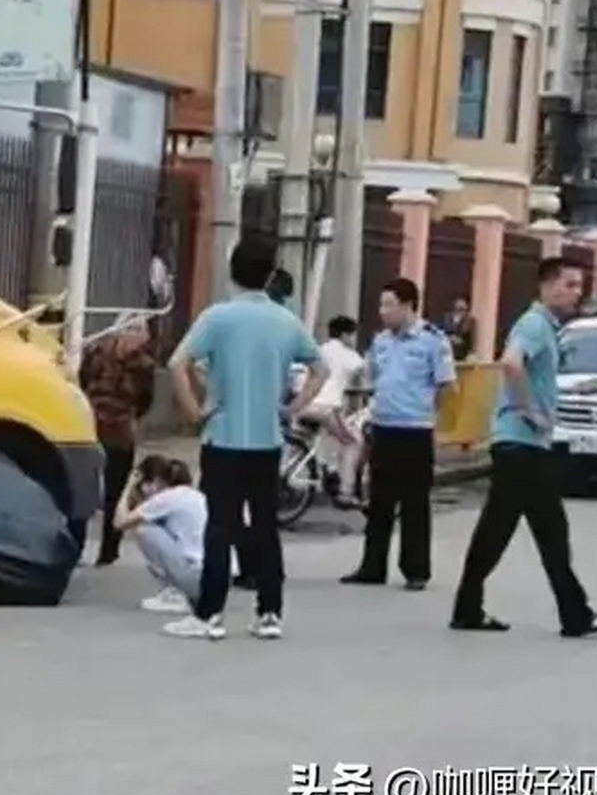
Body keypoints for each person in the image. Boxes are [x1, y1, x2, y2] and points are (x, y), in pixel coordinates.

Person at [449, 259, 597, 638]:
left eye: (579, 285)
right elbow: (511, 366)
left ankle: (467, 608)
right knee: (551, 533)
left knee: (495, 531)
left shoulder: (544, 327)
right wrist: (530, 412)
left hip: (515, 446)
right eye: (570, 284)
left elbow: (532, 375)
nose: (577, 292)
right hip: (523, 446)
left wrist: (570, 392)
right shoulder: (534, 324)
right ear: (547, 286)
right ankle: (576, 616)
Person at [166, 236, 327, 640]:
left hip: (222, 437)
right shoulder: (285, 321)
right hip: (268, 440)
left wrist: (193, 410)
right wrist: (293, 408)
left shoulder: (217, 317)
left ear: (231, 270)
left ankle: (210, 614)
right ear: (270, 275)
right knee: (265, 527)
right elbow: (319, 368)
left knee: (219, 526)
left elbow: (176, 363)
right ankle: (269, 613)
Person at [342, 279, 454, 590]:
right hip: (384, 426)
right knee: (379, 500)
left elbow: (445, 385)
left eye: (389, 305)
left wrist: (429, 415)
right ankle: (372, 566)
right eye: (382, 305)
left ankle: (416, 570)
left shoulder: (433, 340)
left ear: (408, 306)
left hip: (415, 429)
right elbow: (373, 379)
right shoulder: (381, 342)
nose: (383, 311)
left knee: (415, 502)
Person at [78, 320, 156, 566]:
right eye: (130, 329)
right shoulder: (96, 353)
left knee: (116, 491)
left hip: (121, 430)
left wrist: (130, 416)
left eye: (139, 331)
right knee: (83, 488)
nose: (134, 336)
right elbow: (83, 381)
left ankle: (109, 550)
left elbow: (146, 399)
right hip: (92, 424)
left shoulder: (144, 365)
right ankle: (76, 546)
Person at [113, 455, 206, 616]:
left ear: (153, 482)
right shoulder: (193, 495)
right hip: (215, 578)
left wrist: (127, 487)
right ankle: (179, 590)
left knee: (143, 529)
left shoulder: (165, 499)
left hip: (196, 578)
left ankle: (177, 593)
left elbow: (119, 522)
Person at [297, 314, 368, 509]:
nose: (353, 340)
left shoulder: (321, 349)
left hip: (303, 403)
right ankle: (346, 492)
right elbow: (366, 374)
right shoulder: (349, 355)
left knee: (328, 435)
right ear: (345, 335)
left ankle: (327, 468)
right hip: (326, 406)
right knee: (353, 441)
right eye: (353, 335)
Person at [440, 296, 476, 363]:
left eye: (464, 309)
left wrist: (459, 340)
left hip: (461, 354)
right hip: (447, 351)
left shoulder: (469, 320)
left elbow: (467, 336)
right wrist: (450, 338)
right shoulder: (447, 317)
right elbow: (443, 331)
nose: (461, 311)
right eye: (459, 308)